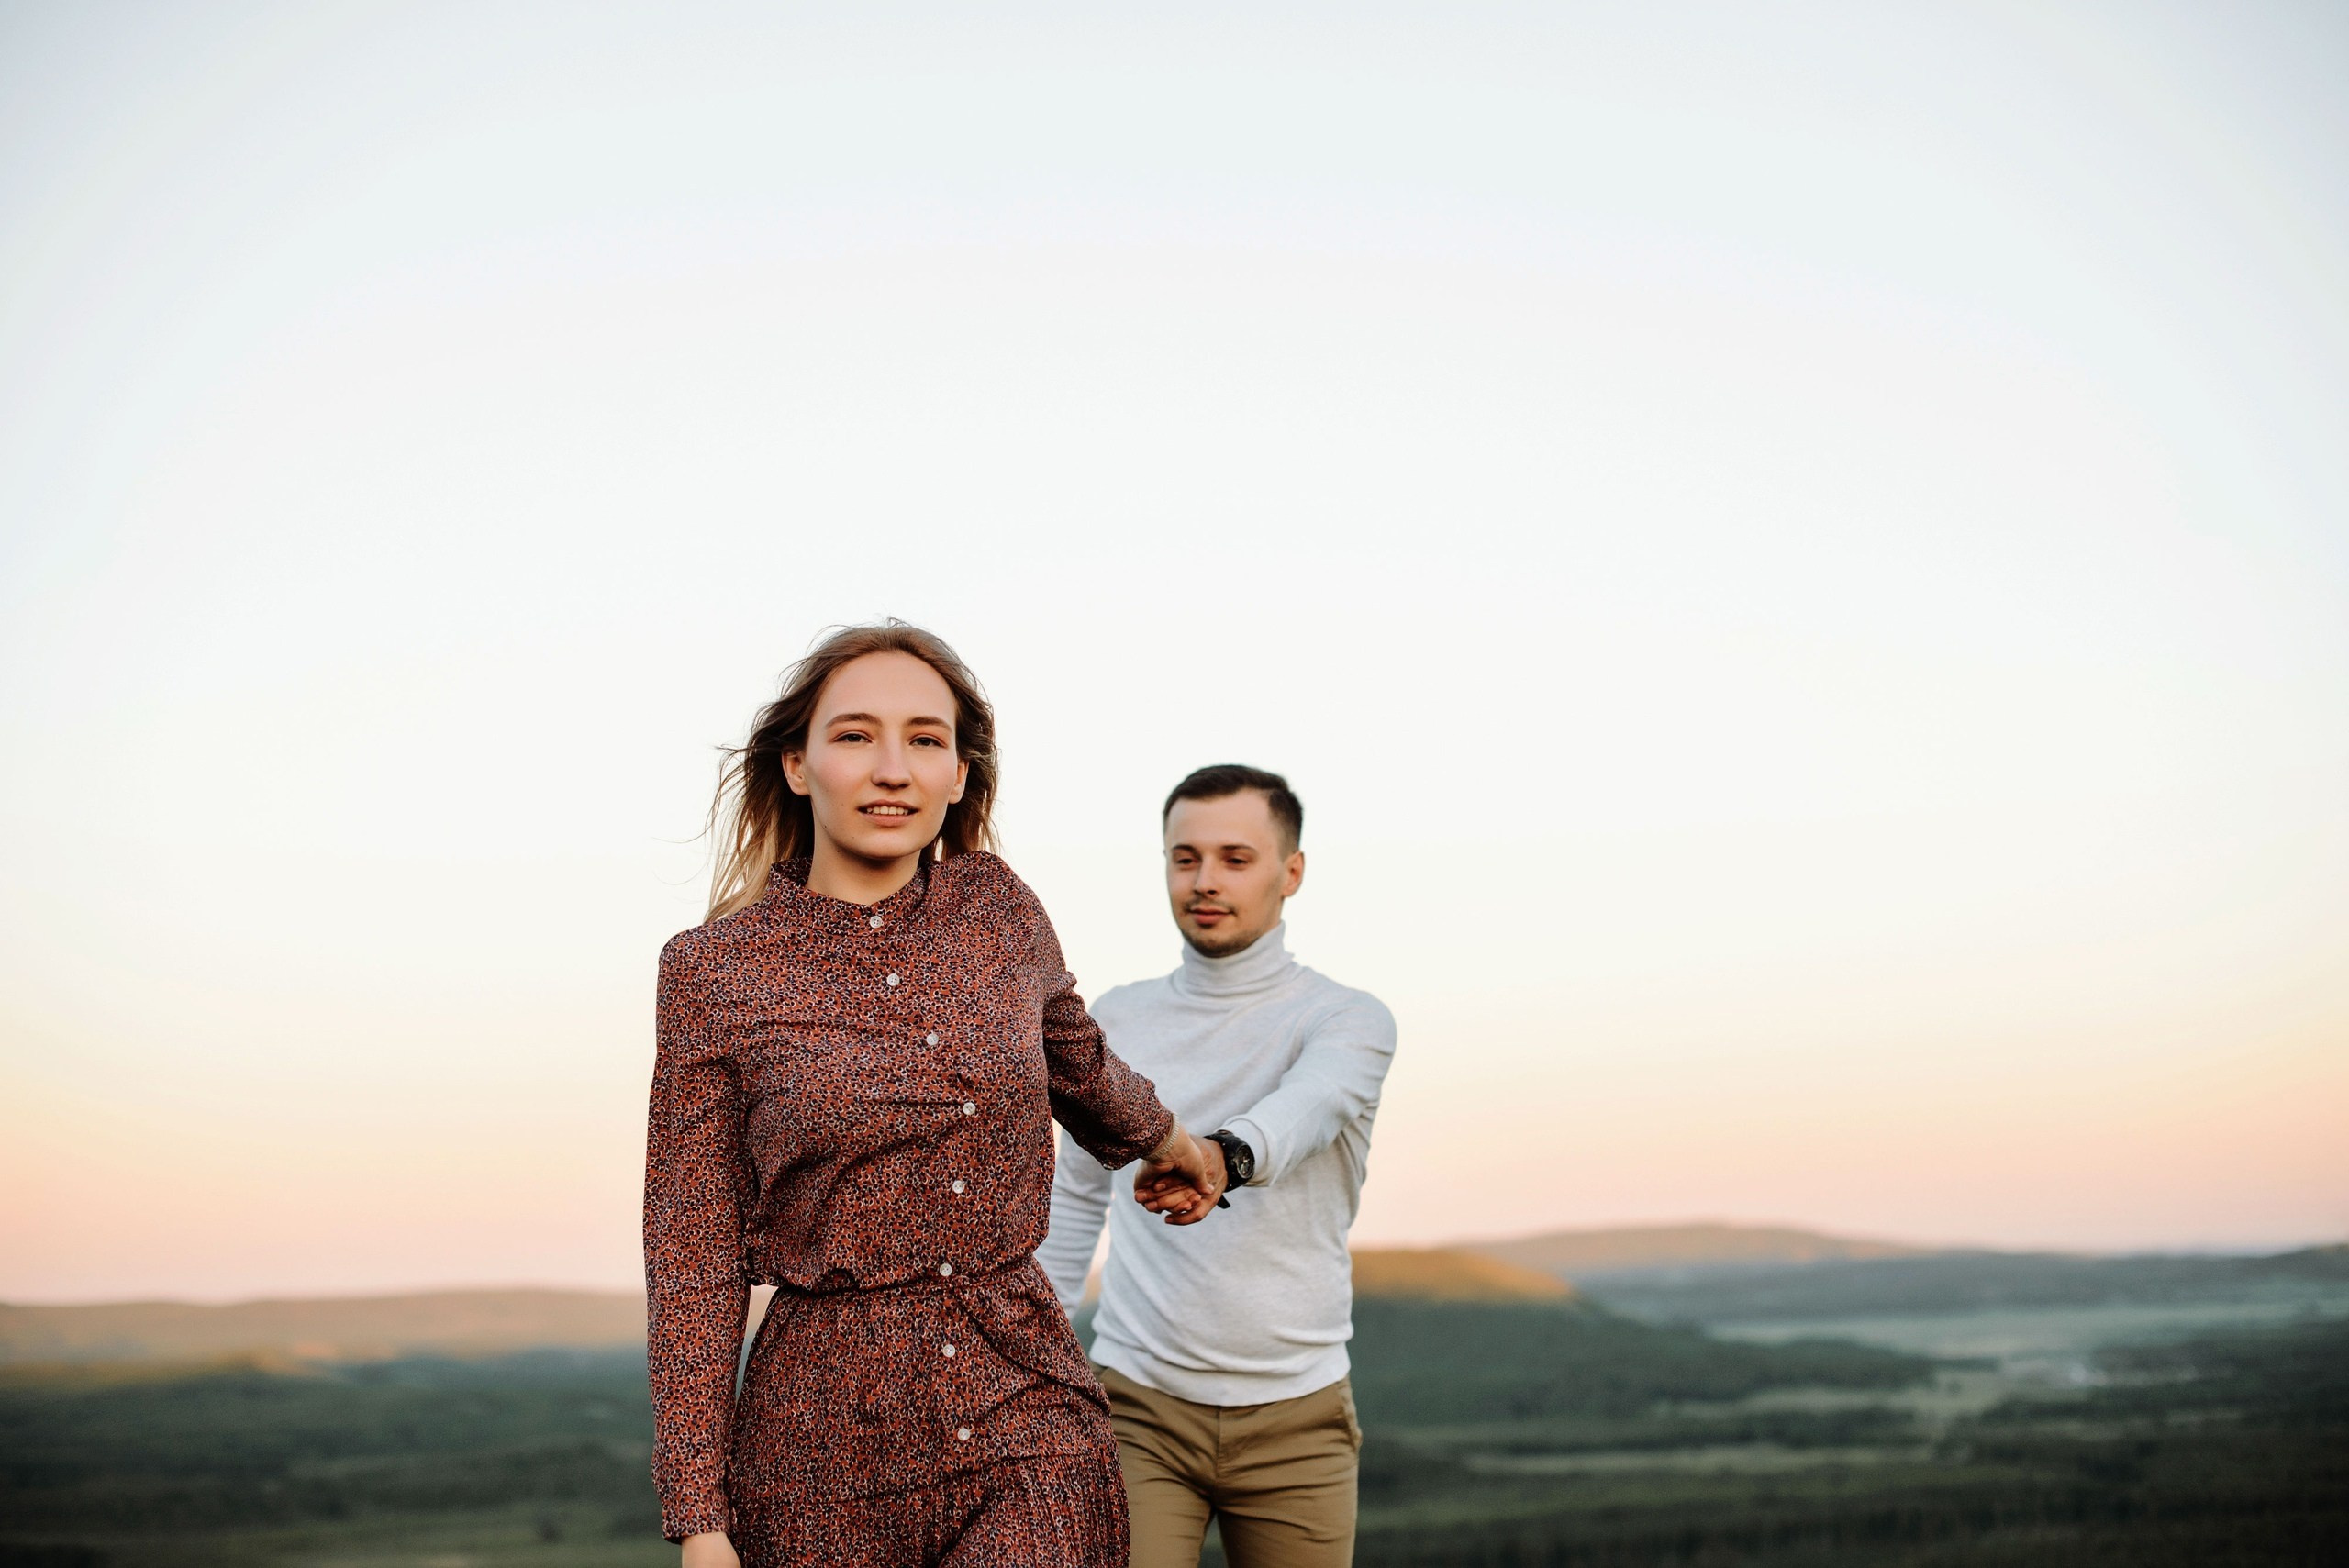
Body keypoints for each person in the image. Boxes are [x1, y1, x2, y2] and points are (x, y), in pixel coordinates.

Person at [643, 621, 1224, 1568]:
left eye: (924, 738)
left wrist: (1173, 1140)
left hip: (1021, 1396)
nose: (891, 768)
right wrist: (698, 1514)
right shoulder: (712, 972)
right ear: (796, 764)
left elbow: (1078, 1062)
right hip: (814, 1447)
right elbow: (693, 1249)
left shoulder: (998, 907)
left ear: (958, 773)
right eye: (853, 734)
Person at [1040, 764, 1398, 1568]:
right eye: (1184, 857)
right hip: (1138, 1409)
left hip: (1300, 1419)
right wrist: (1034, 1357)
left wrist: (1217, 1158)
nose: (1205, 881)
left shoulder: (1345, 1018)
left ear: (1291, 871)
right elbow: (1073, 1201)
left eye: (1236, 857)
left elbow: (1310, 1107)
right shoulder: (1116, 1018)